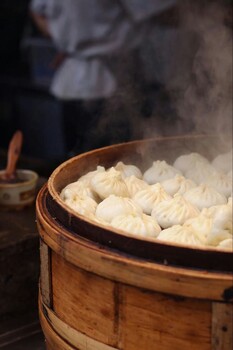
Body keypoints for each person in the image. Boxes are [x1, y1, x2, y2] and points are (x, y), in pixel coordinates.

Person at [29, 0, 177, 155]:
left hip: (72, 81)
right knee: (124, 159)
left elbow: (36, 11)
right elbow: (162, 13)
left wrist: (68, 39)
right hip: (118, 79)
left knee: (80, 160)